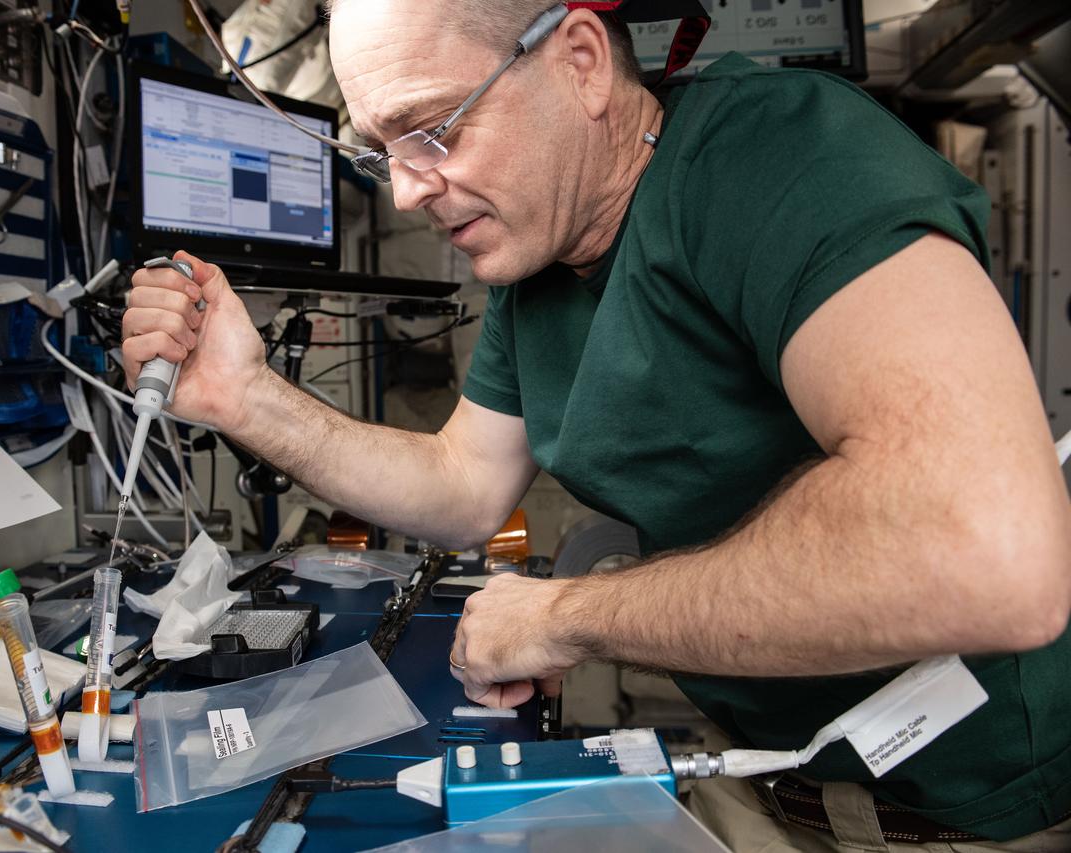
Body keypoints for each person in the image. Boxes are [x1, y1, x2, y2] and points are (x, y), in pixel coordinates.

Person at [122, 1, 1071, 849]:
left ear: (579, 60)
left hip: (970, 812)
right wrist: (244, 397)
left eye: (432, 130)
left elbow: (985, 553)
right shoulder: (538, 262)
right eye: (380, 151)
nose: (405, 190)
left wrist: (574, 619)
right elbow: (460, 487)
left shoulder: (780, 159)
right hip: (769, 780)